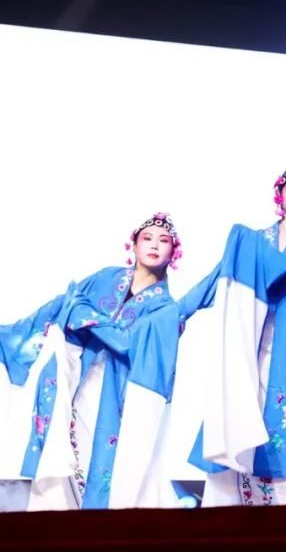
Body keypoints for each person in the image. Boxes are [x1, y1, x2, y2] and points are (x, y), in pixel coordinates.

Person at [178, 158, 286, 506]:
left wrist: (280, 267)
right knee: (241, 403)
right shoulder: (254, 242)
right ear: (279, 194)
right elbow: (217, 280)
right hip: (251, 341)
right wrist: (178, 312)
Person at [0, 213, 184, 510]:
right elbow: (65, 304)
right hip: (83, 380)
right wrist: (18, 333)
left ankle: (102, 524)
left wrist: (86, 315)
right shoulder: (106, 278)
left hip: (121, 391)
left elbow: (129, 344)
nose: (154, 245)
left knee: (110, 465)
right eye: (147, 238)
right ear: (134, 244)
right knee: (70, 450)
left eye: (163, 240)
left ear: (173, 252)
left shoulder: (164, 307)